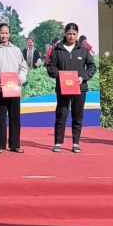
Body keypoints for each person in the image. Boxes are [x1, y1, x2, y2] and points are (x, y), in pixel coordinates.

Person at [45, 22, 97, 153]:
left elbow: (92, 66)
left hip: (80, 88)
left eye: (74, 34)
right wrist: (60, 75)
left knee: (77, 115)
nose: (71, 36)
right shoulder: (57, 49)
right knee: (61, 114)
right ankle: (58, 142)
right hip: (63, 88)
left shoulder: (83, 50)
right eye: (69, 34)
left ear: (77, 34)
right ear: (65, 34)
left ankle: (75, 143)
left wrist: (83, 77)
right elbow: (50, 66)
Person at [0, 22, 28, 153]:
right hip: (0, 89)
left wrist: (21, 79)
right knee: (0, 117)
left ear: (9, 34)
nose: (4, 35)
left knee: (15, 117)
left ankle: (15, 144)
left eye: (6, 33)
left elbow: (23, 67)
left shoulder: (16, 50)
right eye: (1, 33)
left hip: (14, 89)